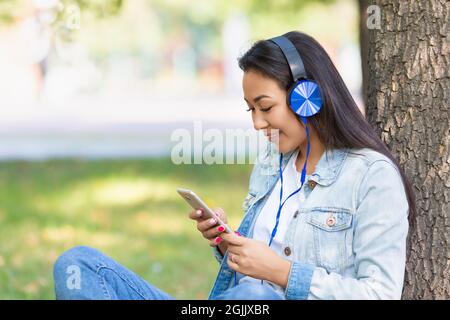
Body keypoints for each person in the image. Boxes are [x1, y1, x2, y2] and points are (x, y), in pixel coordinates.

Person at [53, 31, 415, 300]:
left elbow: (380, 293)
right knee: (79, 265)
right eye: (250, 110)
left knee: (254, 299)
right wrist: (229, 244)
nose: (257, 123)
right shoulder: (274, 163)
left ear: (308, 97)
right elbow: (251, 273)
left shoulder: (372, 176)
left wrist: (283, 273)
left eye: (266, 107)